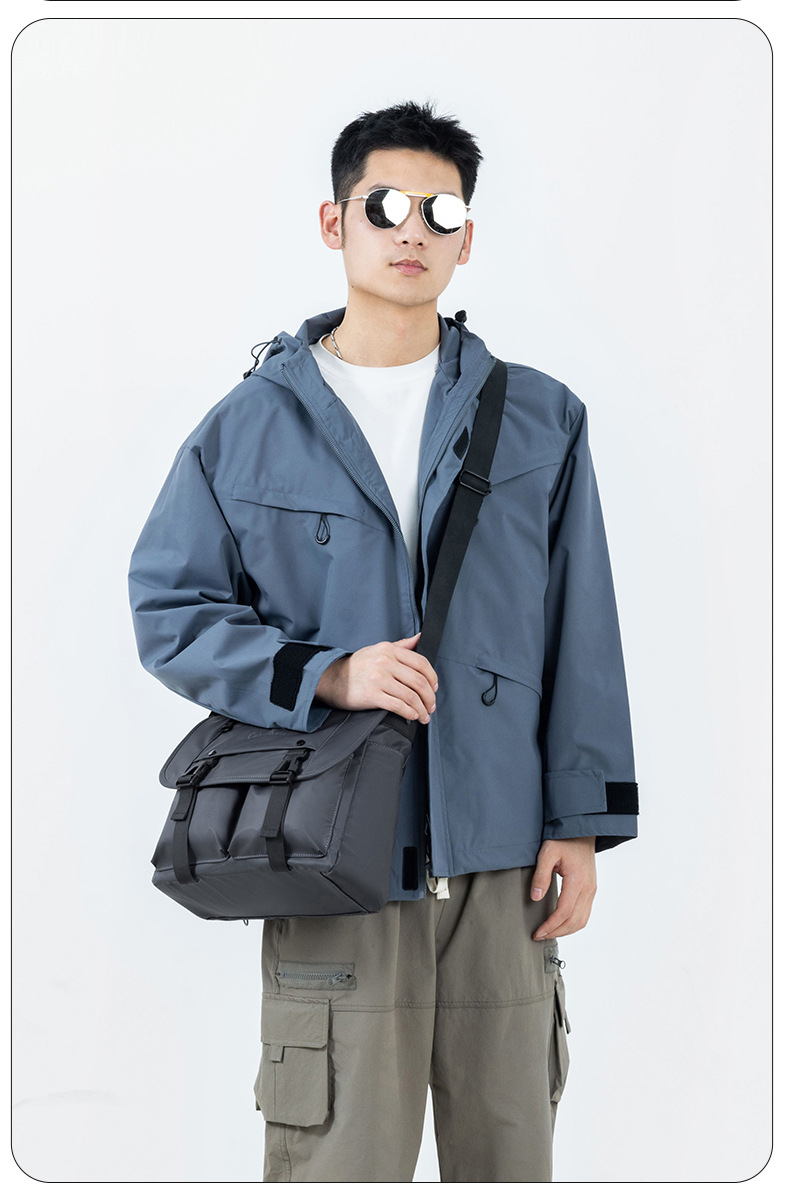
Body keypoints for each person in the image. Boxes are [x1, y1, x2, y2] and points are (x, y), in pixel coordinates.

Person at [128, 99, 639, 1183]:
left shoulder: (541, 418)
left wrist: (581, 823)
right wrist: (327, 675)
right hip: (332, 857)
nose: (413, 229)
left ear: (467, 238)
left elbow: (581, 626)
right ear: (335, 222)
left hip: (504, 867)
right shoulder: (247, 426)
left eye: (441, 211)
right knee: (336, 1166)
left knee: (509, 1161)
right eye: (386, 205)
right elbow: (170, 610)